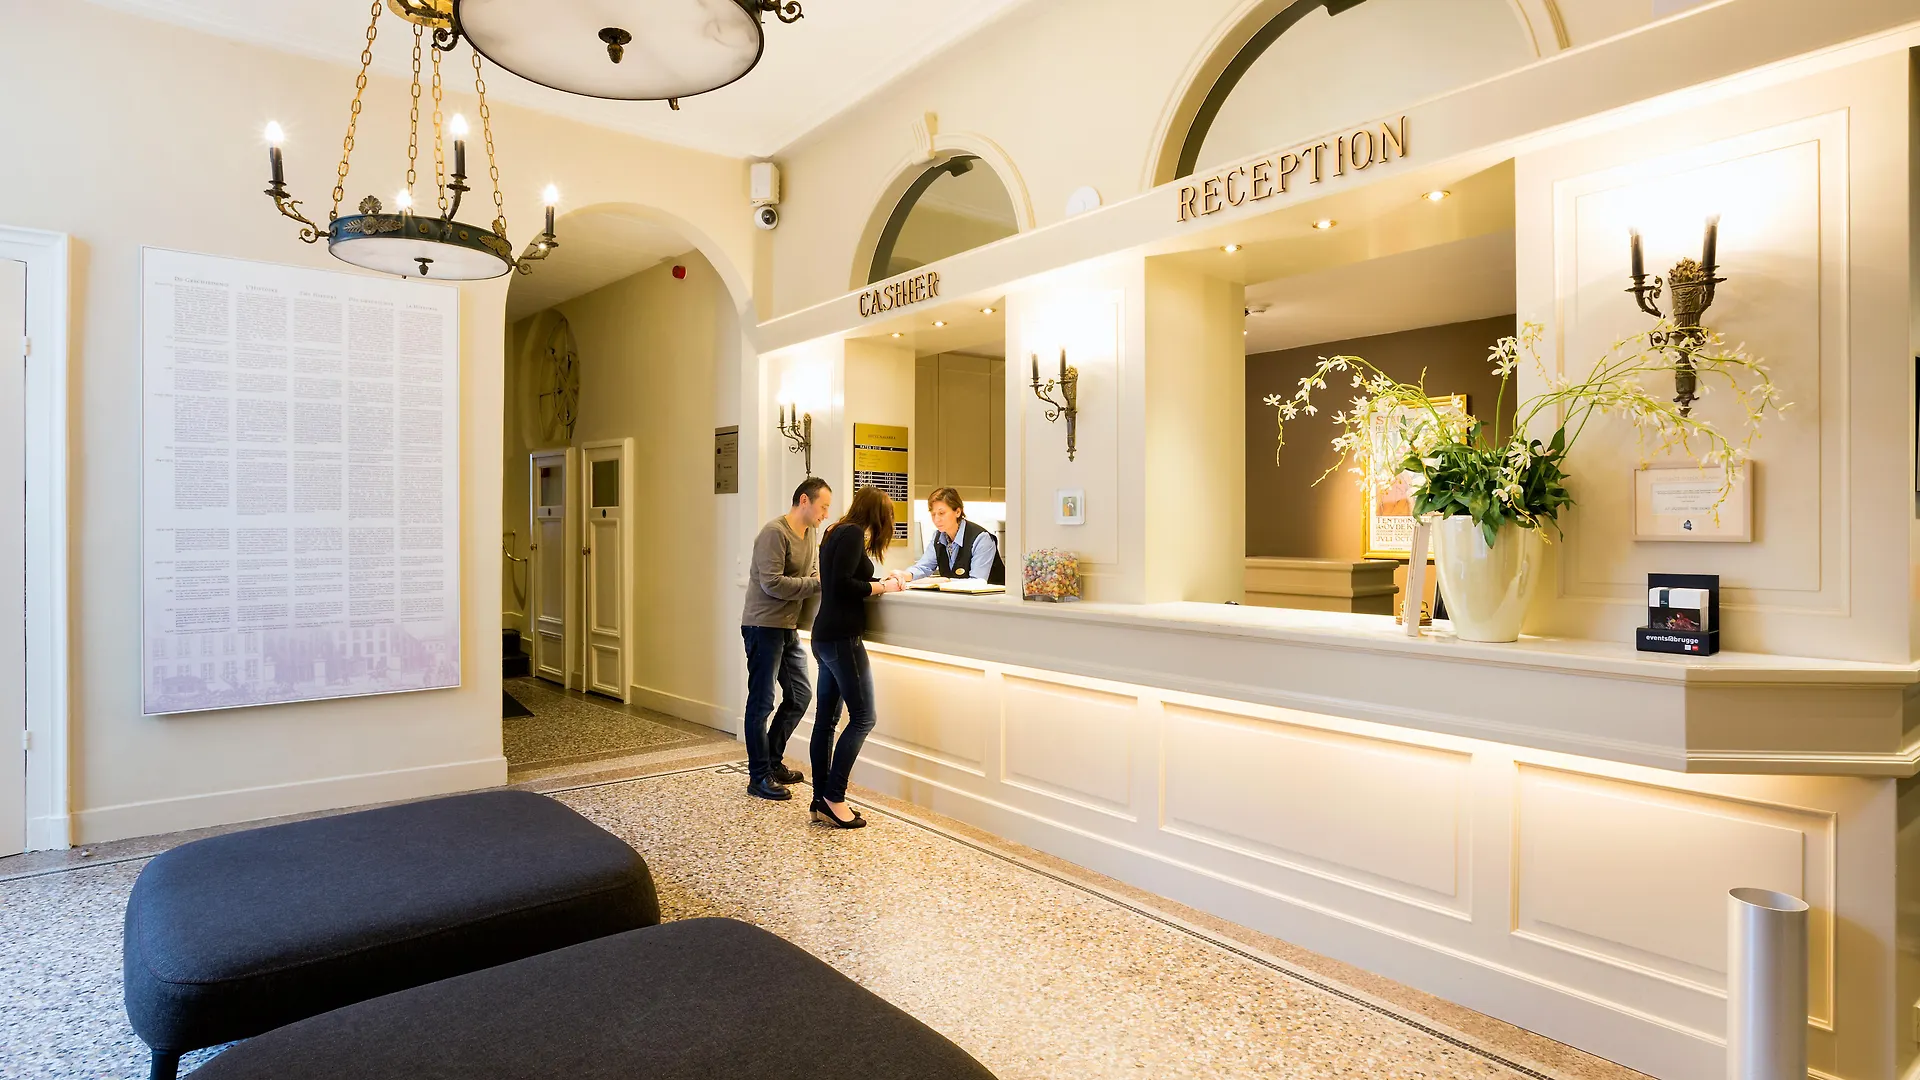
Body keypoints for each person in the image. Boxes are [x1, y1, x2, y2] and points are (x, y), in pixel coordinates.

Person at [808, 486, 906, 828]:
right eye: (888, 514)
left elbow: (843, 578)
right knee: (864, 717)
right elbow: (844, 585)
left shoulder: (835, 530)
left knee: (826, 721)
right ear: (876, 513)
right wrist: (882, 587)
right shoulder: (852, 534)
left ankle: (820, 798)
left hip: (825, 635)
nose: (889, 521)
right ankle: (834, 797)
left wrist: (880, 580)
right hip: (842, 638)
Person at [739, 477, 831, 802]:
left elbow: (814, 574)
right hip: (763, 626)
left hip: (787, 627)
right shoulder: (774, 533)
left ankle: (772, 762)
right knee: (761, 702)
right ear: (804, 500)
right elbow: (772, 584)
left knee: (800, 695)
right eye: (823, 507)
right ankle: (758, 776)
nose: (825, 514)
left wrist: (817, 581)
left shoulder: (812, 533)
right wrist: (816, 584)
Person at [894, 486, 1004, 586]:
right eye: (933, 514)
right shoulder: (938, 537)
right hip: (958, 598)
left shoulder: (981, 539)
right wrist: (904, 575)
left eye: (941, 513)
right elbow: (923, 567)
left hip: (993, 600)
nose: (936, 519)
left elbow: (978, 582)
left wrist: (943, 581)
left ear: (958, 512)